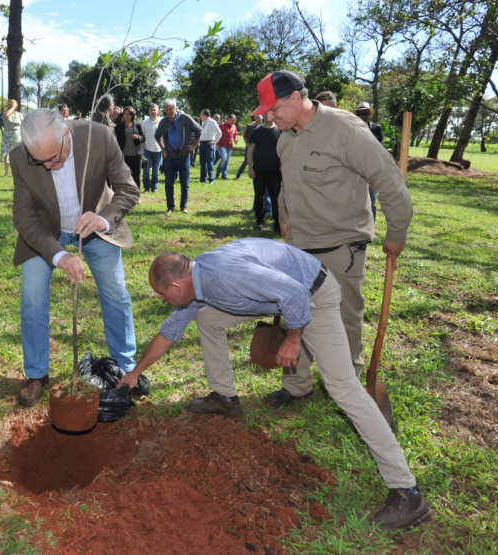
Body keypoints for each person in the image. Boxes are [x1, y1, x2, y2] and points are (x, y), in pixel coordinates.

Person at [117, 239, 431, 531]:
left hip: (314, 297)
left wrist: (293, 340)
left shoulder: (225, 275)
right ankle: (225, 398)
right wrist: (136, 372)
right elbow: (169, 332)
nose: (163, 300)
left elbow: (294, 294)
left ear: (175, 285)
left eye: (162, 294)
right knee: (209, 318)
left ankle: (407, 492)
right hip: (285, 297)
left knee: (343, 387)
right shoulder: (197, 285)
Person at [252, 70, 413, 407]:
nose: (270, 117)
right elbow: (286, 186)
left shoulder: (345, 129)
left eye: (274, 109)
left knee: (344, 319)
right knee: (297, 314)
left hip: (342, 248)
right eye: (266, 111)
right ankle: (296, 384)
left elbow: (389, 181)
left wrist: (396, 232)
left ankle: (347, 385)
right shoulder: (285, 138)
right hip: (299, 248)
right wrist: (284, 218)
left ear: (296, 98)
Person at [10, 108, 140, 406]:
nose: (49, 166)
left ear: (66, 134)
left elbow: (128, 190)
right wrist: (59, 256)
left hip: (95, 229)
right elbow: (24, 217)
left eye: (54, 158)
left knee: (116, 293)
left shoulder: (99, 137)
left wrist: (103, 219)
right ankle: (37, 374)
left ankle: (125, 368)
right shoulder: (19, 157)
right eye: (40, 162)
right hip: (45, 233)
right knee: (32, 298)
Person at [154, 99, 200, 214]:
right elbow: (157, 135)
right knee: (169, 183)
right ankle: (171, 207)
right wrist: (163, 149)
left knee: (184, 183)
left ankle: (183, 206)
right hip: (170, 157)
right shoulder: (163, 122)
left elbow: (198, 130)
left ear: (175, 108)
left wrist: (194, 145)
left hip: (184, 156)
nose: (170, 112)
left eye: (171, 109)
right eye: (167, 110)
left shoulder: (185, 118)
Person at [246, 115, 282, 232]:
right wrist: (250, 168)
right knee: (259, 197)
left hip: (276, 171)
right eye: (266, 114)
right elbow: (250, 150)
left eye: (271, 113)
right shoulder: (256, 132)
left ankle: (277, 223)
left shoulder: (280, 130)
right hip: (259, 170)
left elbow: (285, 149)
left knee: (276, 198)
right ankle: (260, 222)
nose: (268, 116)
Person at [114, 105, 145, 186]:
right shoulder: (119, 127)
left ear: (132, 116)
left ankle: (136, 193)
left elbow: (143, 138)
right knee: (125, 177)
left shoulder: (137, 125)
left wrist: (138, 137)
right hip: (124, 156)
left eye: (129, 114)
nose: (127, 116)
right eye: (125, 114)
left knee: (136, 177)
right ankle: (127, 193)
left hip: (137, 156)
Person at [140, 104, 163, 193]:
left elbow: (164, 137)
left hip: (158, 150)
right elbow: (141, 136)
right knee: (146, 170)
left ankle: (154, 187)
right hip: (147, 150)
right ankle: (146, 188)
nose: (153, 111)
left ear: (158, 112)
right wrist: (143, 148)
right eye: (151, 110)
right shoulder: (144, 123)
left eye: (154, 110)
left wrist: (163, 148)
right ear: (149, 112)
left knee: (155, 171)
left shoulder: (162, 123)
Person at [0, 99, 24, 177]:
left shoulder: (19, 115)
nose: (10, 104)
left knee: (16, 155)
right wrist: (13, 108)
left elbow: (24, 125)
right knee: (6, 154)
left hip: (17, 137)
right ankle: (6, 172)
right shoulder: (5, 113)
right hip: (7, 137)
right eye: (9, 104)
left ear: (16, 105)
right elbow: (6, 115)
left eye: (12, 103)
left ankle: (17, 172)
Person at [197, 109, 222, 184]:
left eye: (201, 114)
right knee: (202, 162)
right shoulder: (204, 122)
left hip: (209, 145)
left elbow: (219, 133)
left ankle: (211, 179)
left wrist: (214, 142)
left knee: (209, 162)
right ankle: (203, 178)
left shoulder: (212, 122)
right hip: (202, 144)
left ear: (204, 115)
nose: (200, 116)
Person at [234, 115, 262, 179]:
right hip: (250, 146)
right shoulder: (250, 126)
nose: (259, 122)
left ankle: (256, 175)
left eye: (260, 121)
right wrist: (247, 144)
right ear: (255, 120)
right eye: (258, 121)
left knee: (257, 161)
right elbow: (245, 136)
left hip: (258, 147)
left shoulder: (262, 127)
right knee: (246, 161)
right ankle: (238, 175)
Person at [214, 114, 238, 180]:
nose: (233, 122)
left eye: (234, 121)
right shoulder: (221, 125)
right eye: (232, 120)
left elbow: (235, 135)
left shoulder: (234, 126)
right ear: (228, 119)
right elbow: (217, 135)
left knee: (227, 161)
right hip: (222, 145)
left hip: (229, 146)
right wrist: (216, 144)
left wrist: (236, 139)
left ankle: (224, 174)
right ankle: (218, 172)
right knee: (224, 158)